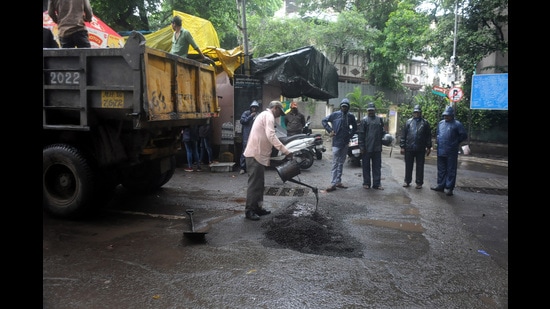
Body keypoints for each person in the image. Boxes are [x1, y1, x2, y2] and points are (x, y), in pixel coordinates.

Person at [243, 101, 293, 220]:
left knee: (259, 184)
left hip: (257, 154)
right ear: (275, 108)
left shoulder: (264, 115)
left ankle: (258, 208)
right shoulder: (269, 116)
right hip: (255, 154)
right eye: (279, 112)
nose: (280, 115)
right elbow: (271, 136)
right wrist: (286, 151)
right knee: (254, 185)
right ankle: (249, 211)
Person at [321, 98, 357, 192]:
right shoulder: (335, 114)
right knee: (335, 163)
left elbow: (355, 127)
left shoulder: (350, 116)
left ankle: (338, 181)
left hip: (345, 142)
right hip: (336, 142)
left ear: (348, 107)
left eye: (346, 106)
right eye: (343, 106)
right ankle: (333, 183)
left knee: (341, 163)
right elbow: (324, 120)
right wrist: (330, 130)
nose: (344, 108)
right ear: (341, 106)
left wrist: (350, 135)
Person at [431, 106, 468, 196]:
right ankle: (440, 185)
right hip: (441, 150)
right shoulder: (441, 123)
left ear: (452, 115)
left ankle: (449, 187)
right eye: (445, 115)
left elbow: (463, 135)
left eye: (447, 115)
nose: (446, 117)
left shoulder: (457, 124)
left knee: (451, 170)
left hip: (451, 150)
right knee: (441, 169)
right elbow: (438, 134)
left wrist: (455, 142)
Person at [400, 105, 432, 189]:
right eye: (415, 112)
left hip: (420, 148)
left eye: (418, 112)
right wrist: (402, 146)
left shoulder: (425, 123)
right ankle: (407, 181)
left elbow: (428, 136)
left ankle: (419, 182)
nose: (416, 114)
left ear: (420, 113)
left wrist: (429, 147)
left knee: (420, 166)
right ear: (413, 113)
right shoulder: (408, 122)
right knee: (408, 166)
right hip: (409, 147)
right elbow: (403, 135)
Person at [357, 102, 387, 190]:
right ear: (367, 111)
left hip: (377, 148)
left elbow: (382, 132)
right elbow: (361, 134)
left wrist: (386, 139)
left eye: (372, 110)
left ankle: (377, 184)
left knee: (377, 167)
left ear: (375, 110)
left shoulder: (379, 120)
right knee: (366, 166)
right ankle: (366, 183)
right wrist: (361, 147)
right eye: (369, 110)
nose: (371, 112)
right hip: (366, 148)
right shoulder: (364, 120)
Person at [239, 100, 260, 175]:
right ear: (250, 108)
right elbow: (242, 121)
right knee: (245, 151)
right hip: (246, 135)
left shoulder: (258, 115)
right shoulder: (246, 113)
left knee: (255, 151)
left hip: (255, 136)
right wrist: (251, 116)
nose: (254, 109)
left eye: (255, 108)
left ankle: (252, 167)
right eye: (253, 107)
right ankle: (242, 167)